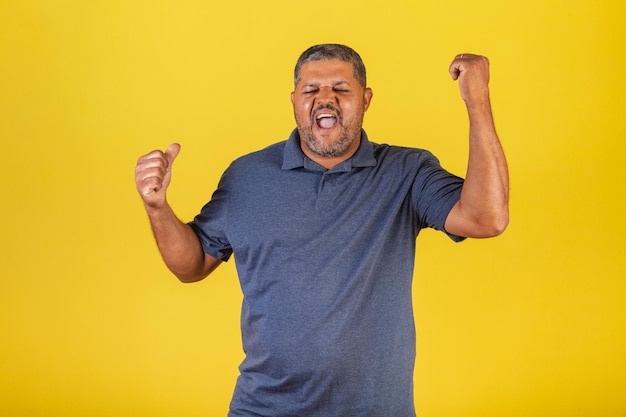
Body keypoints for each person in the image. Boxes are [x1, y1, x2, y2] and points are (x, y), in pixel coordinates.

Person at [135, 44, 508, 417]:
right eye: (311, 90)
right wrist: (157, 206)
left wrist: (477, 101)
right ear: (294, 100)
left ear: (366, 100)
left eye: (341, 89)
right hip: (263, 408)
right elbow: (192, 264)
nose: (324, 100)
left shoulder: (405, 172)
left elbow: (486, 218)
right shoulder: (247, 177)